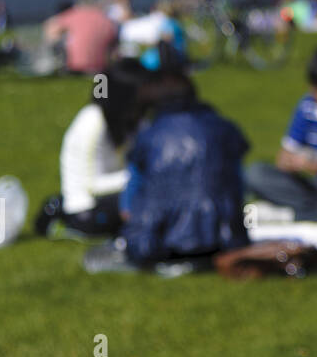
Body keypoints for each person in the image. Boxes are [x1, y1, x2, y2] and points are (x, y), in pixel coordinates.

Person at [95, 61, 250, 270]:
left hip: (160, 244)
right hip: (224, 238)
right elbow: (238, 187)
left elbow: (128, 205)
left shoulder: (149, 137)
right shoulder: (226, 129)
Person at [33, 58, 151, 240]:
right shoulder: (92, 122)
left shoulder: (130, 122)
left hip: (115, 195)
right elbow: (92, 185)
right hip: (87, 208)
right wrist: (139, 177)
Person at [243, 47, 317, 222]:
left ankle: (290, 214)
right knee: (256, 173)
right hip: (314, 186)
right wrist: (294, 163)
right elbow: (284, 155)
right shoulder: (308, 106)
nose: (313, 92)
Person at [43, 0, 117, 75]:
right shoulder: (106, 19)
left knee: (56, 40)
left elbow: (51, 29)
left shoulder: (72, 15)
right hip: (100, 67)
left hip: (74, 66)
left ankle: (56, 67)